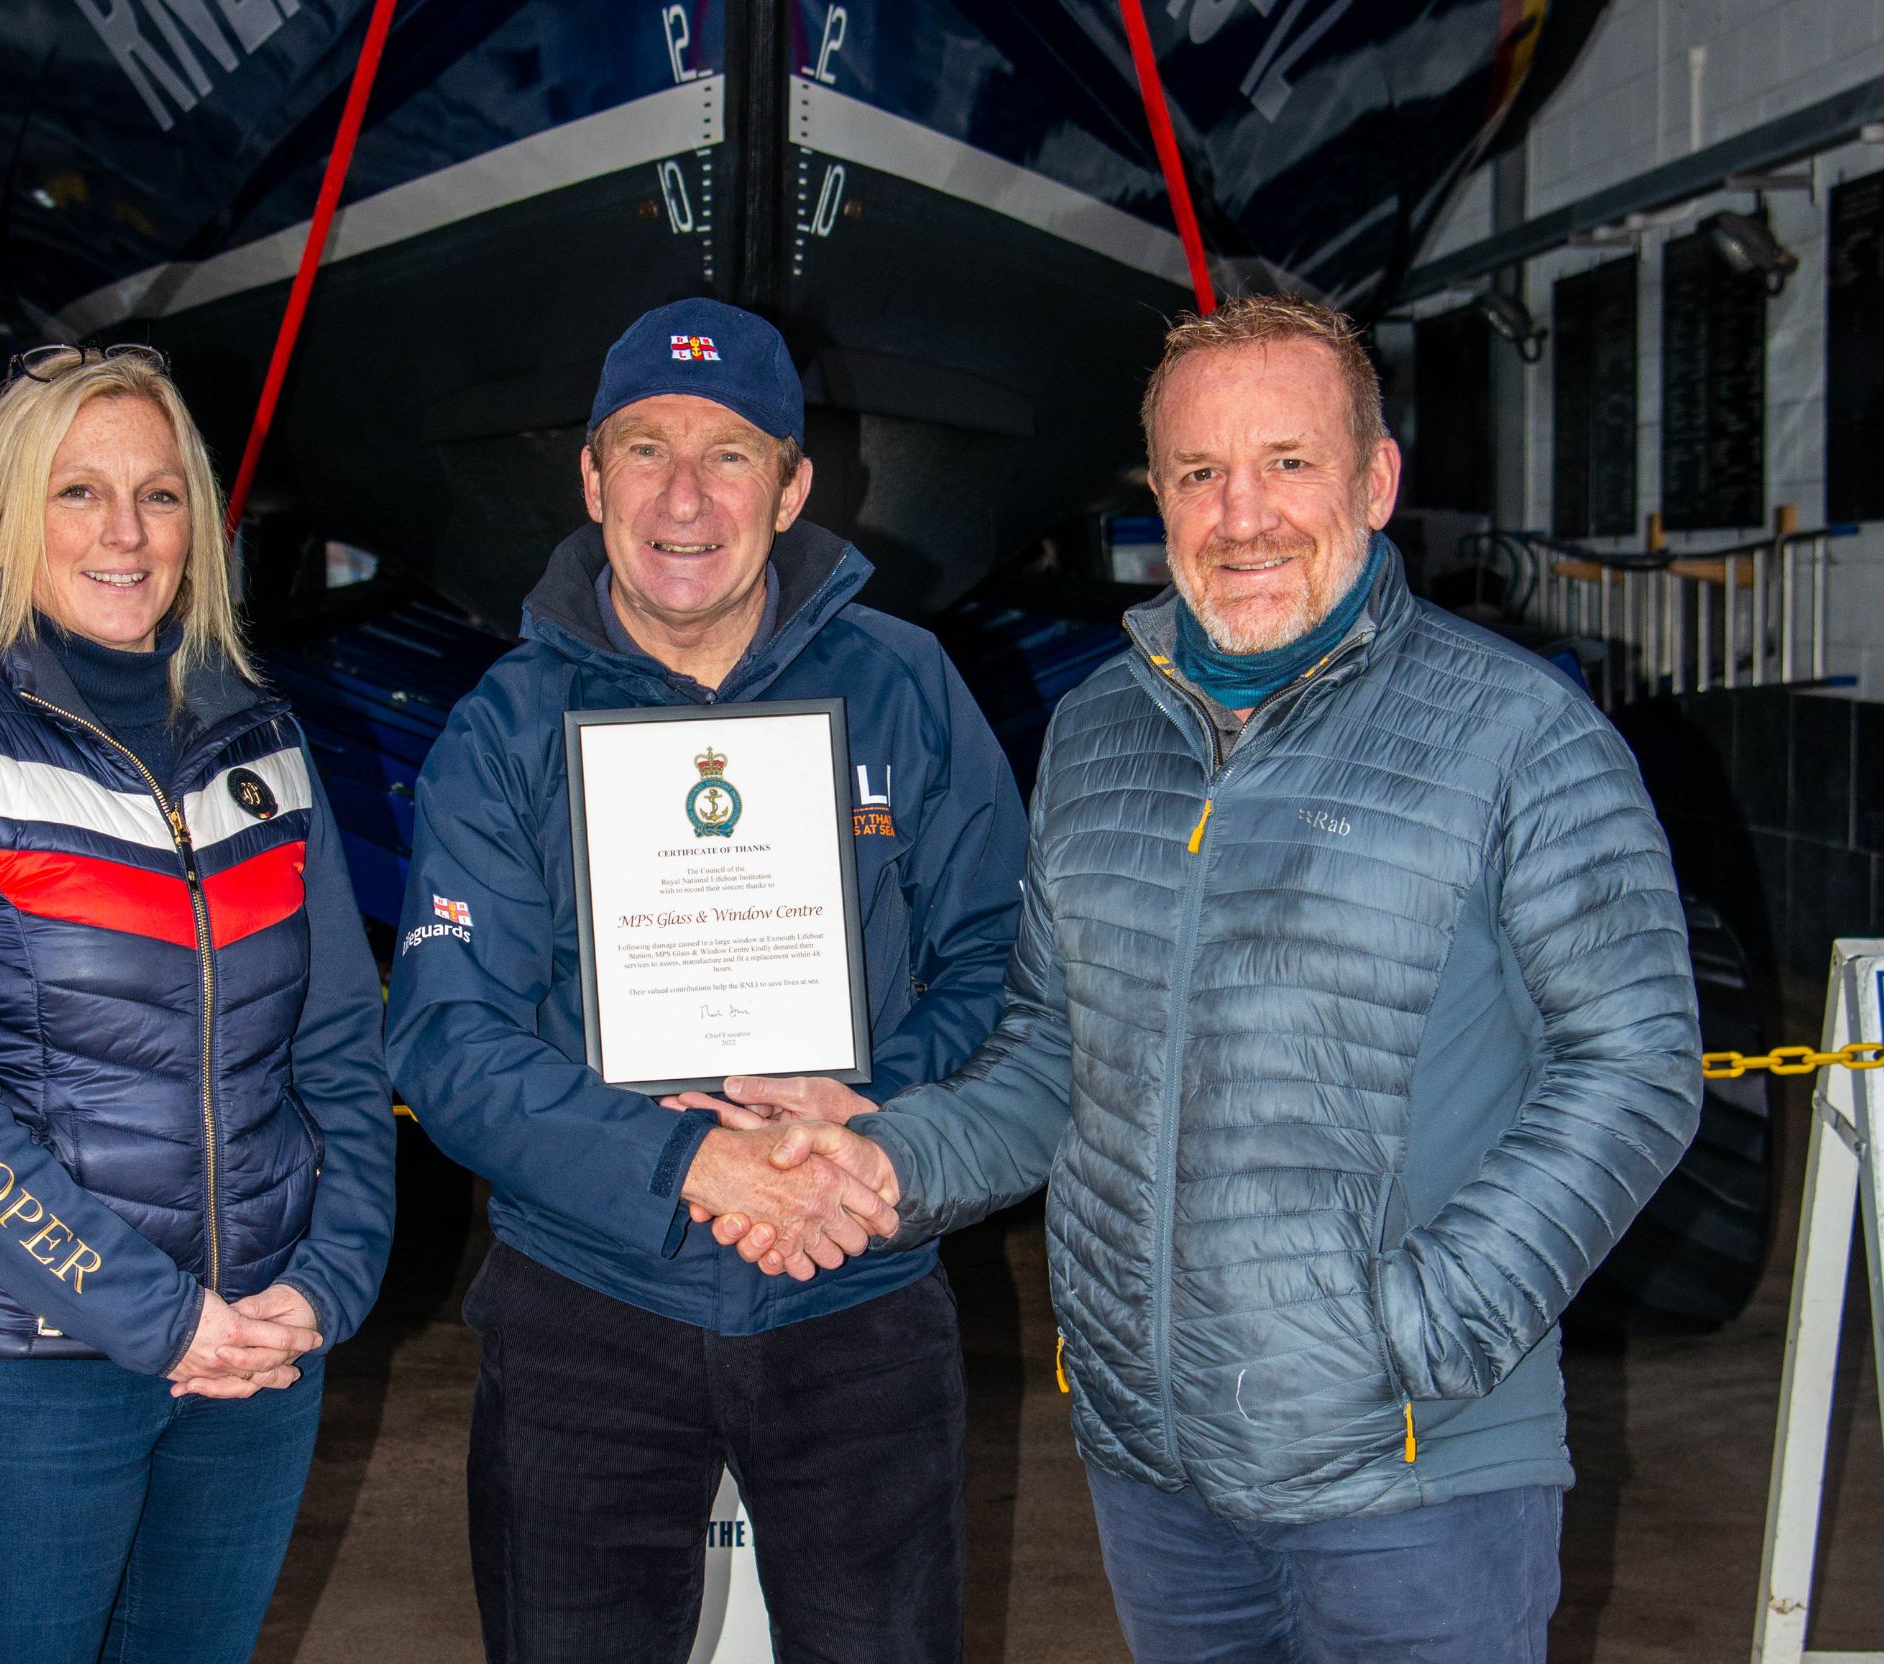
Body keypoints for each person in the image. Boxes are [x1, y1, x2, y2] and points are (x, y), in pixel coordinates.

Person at [707, 294, 1702, 1662]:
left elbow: (1636, 1064)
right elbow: (1055, 1049)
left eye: (1288, 463)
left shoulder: (1521, 734)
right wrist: (883, 1159)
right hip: (1155, 1472)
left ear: (1375, 478)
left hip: (1411, 1478)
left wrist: (1420, 1334)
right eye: (1200, 473)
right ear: (1158, 496)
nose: (1244, 517)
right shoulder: (1100, 730)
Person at [383, 297, 1028, 1661]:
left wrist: (864, 1124)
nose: (684, 494)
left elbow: (1003, 965)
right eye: (645, 449)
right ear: (591, 476)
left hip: (855, 1288)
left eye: (729, 452)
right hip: (587, 1312)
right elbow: (448, 1039)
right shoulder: (504, 729)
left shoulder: (907, 687)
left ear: (792, 486)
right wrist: (687, 1172)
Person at [0, 344, 394, 1663]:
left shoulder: (262, 738)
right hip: (30, 1367)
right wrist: (151, 1312)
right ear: (10, 518)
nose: (125, 534)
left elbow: (342, 1046)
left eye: (159, 494)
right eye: (79, 493)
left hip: (258, 1356)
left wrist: (327, 1283)